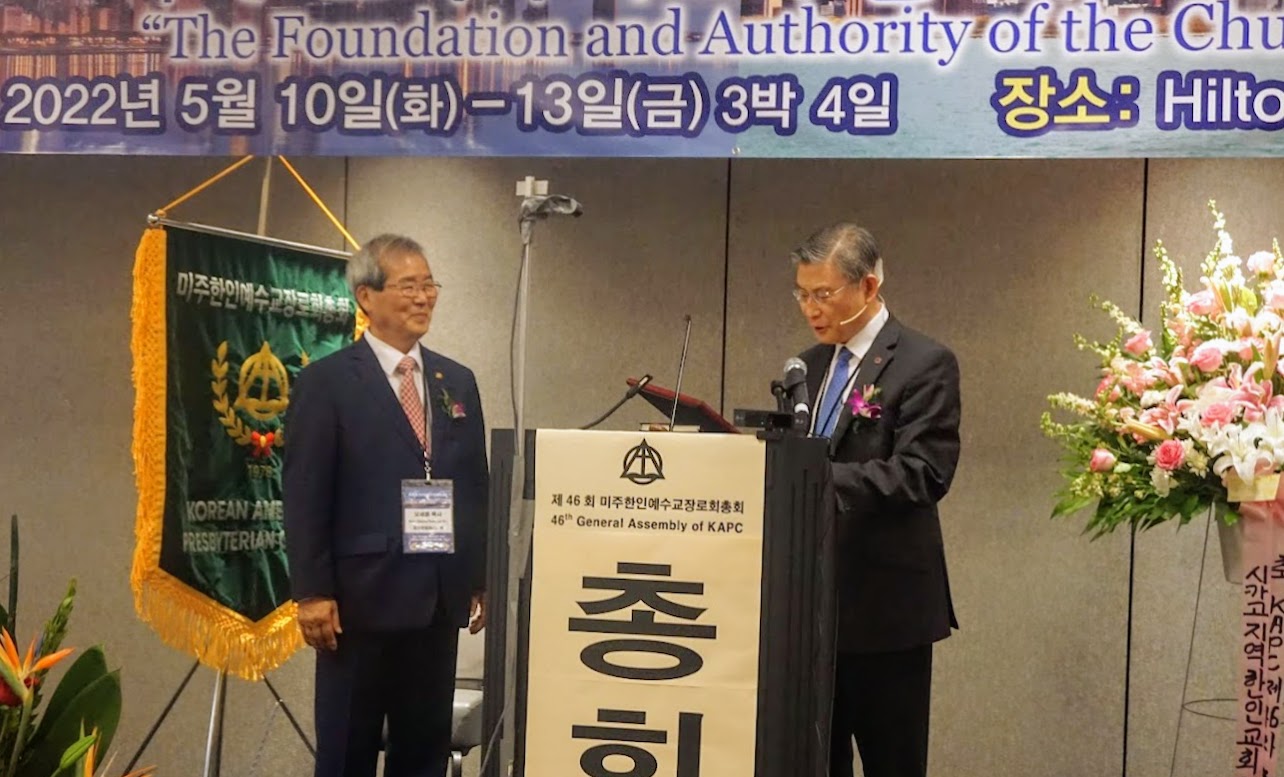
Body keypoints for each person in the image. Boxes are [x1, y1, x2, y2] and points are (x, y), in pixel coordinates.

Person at [283, 234, 489, 777]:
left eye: (429, 285)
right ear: (366, 296)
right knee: (346, 752)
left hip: (437, 598)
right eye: (408, 286)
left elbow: (474, 482)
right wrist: (312, 592)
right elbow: (305, 492)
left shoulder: (455, 380)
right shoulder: (326, 382)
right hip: (358, 603)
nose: (423, 297)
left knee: (422, 755)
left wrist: (479, 576)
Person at [790, 222, 961, 777]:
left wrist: (819, 479)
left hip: (887, 612)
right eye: (802, 294)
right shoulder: (807, 367)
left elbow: (924, 473)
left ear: (868, 286)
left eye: (823, 294)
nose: (811, 309)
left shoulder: (924, 363)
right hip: (808, 609)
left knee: (893, 764)